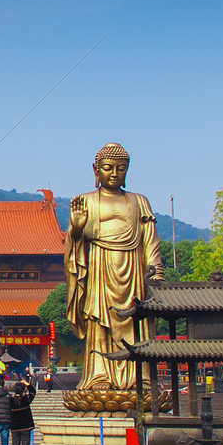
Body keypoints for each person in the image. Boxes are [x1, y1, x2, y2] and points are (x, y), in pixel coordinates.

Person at [65, 142, 164, 391]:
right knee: (100, 323)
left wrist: (156, 271)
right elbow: (75, 245)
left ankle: (138, 377)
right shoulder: (86, 201)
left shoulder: (139, 201)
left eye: (121, 169)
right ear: (96, 170)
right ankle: (99, 376)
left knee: (135, 321)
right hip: (100, 268)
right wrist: (77, 229)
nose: (114, 173)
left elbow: (149, 240)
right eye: (108, 168)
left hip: (133, 270)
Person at [9, 380, 37, 445]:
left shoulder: (10, 401)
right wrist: (26, 384)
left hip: (15, 427)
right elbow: (33, 391)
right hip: (26, 426)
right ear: (22, 391)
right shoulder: (26, 399)